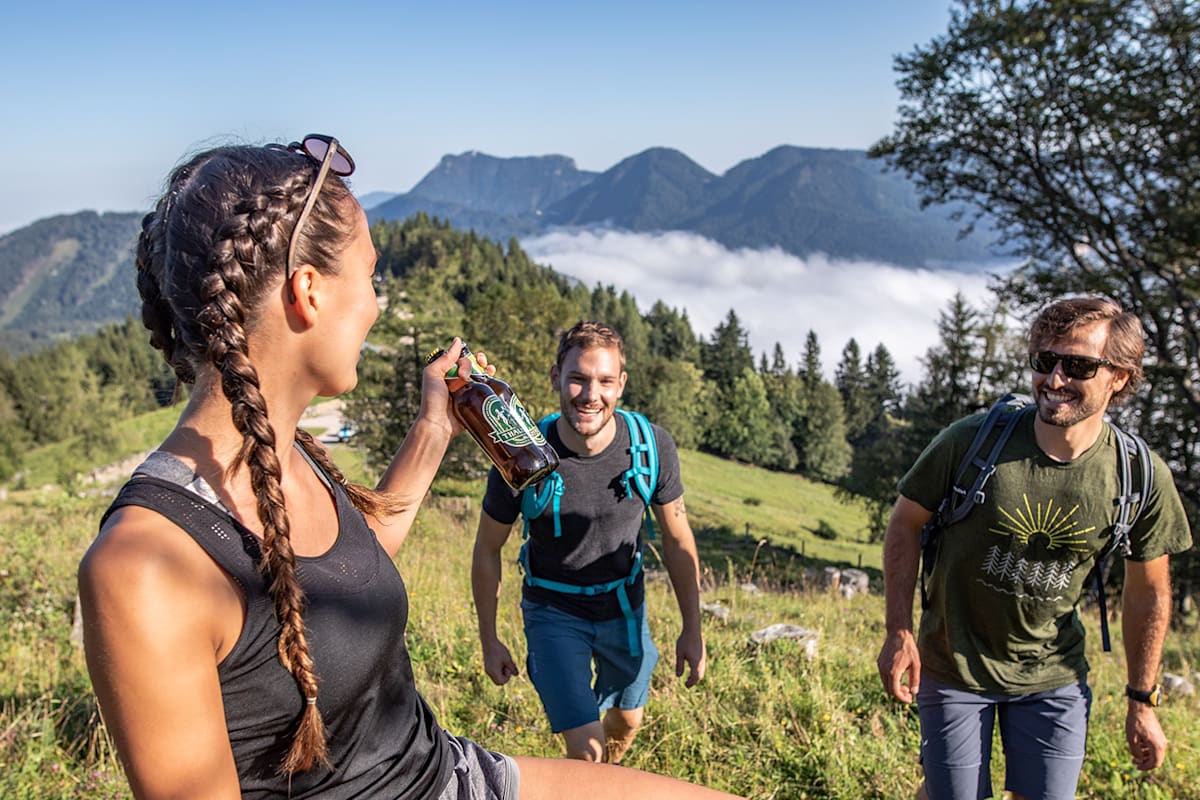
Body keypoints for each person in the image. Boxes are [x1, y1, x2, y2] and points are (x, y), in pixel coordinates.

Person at [77, 135, 743, 800]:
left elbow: (348, 568)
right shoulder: (146, 567)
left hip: (451, 775)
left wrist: (435, 425)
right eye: (370, 278)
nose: (375, 303)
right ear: (307, 292)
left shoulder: (289, 454)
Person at [876, 296, 1193, 800]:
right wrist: (899, 630)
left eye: (1079, 366)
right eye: (1045, 361)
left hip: (1054, 678)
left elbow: (1150, 592)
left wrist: (1142, 699)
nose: (1056, 379)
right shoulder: (971, 442)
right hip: (954, 667)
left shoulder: (1141, 477)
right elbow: (904, 524)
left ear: (1120, 377)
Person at [472, 321, 707, 764]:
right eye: (577, 378)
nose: (589, 394)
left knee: (627, 723)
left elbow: (678, 541)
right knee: (586, 753)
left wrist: (692, 629)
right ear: (556, 377)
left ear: (621, 383)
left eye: (603, 381)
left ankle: (606, 781)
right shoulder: (518, 453)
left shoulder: (651, 446)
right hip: (553, 612)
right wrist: (490, 638)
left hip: (624, 608)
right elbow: (487, 548)